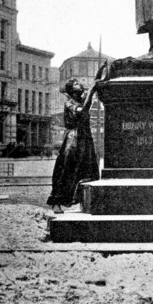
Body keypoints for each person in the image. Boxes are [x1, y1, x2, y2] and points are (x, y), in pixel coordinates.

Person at [47, 75, 102, 214]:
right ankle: (56, 202)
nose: (80, 84)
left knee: (88, 168)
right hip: (74, 138)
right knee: (67, 168)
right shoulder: (70, 103)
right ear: (71, 90)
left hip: (84, 137)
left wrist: (98, 76)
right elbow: (82, 110)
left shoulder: (81, 100)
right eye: (76, 83)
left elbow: (86, 103)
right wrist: (92, 90)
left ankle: (83, 200)